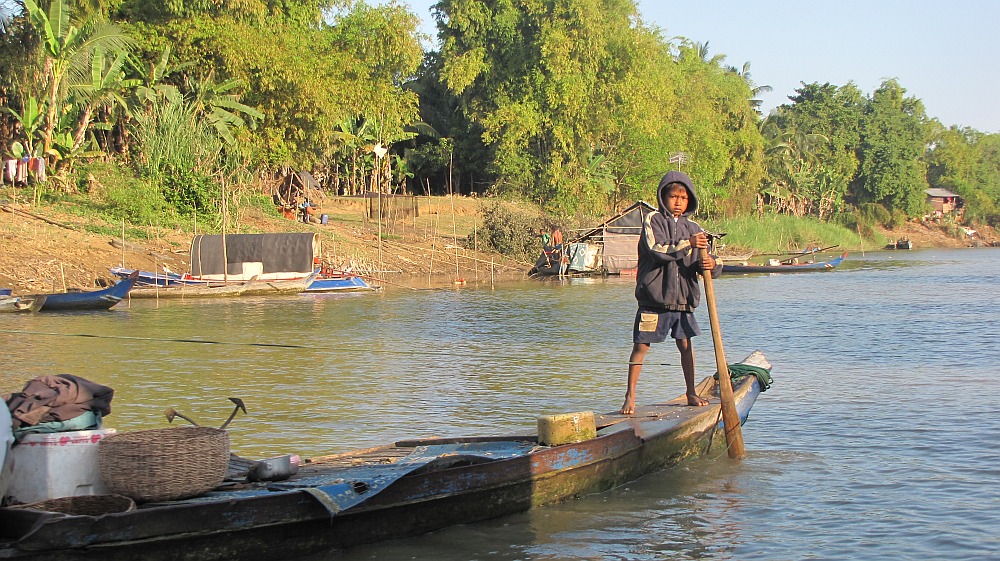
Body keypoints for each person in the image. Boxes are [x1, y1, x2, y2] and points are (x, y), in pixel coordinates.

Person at [619, 170, 722, 415]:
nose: (678, 202)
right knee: (641, 346)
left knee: (685, 345)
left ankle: (691, 393)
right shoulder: (652, 220)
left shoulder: (695, 228)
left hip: (683, 299)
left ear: (690, 201)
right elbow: (657, 249)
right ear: (663, 197)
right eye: (673, 197)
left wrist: (713, 265)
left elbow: (702, 259)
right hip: (654, 297)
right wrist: (688, 244)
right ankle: (630, 396)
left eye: (683, 198)